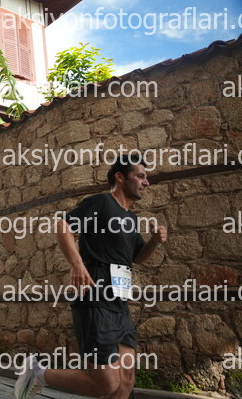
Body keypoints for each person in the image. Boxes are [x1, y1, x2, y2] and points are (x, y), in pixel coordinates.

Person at [15, 155, 167, 399]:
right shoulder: (101, 202)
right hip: (94, 297)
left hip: (119, 304)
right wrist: (76, 263)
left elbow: (138, 257)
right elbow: (63, 225)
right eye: (140, 176)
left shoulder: (131, 218)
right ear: (120, 177)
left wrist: (155, 241)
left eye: (145, 177)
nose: (146, 182)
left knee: (126, 380)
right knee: (106, 384)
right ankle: (39, 374)